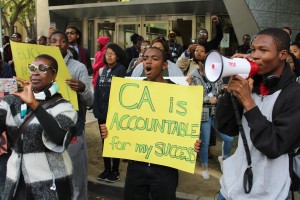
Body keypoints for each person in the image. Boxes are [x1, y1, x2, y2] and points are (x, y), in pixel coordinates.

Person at [99, 46, 201, 199]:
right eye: (145, 58)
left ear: (164, 65)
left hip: (165, 169)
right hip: (136, 167)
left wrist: (192, 143)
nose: (148, 62)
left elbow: (184, 128)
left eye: (155, 58)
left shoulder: (178, 94)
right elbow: (126, 124)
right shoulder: (132, 92)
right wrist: (111, 132)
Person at [215, 28, 300, 199]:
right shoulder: (250, 85)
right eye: (253, 49)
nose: (255, 55)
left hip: (268, 192)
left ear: (283, 55)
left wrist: (248, 103)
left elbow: (275, 145)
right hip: (231, 187)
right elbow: (226, 127)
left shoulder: (294, 94)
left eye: (263, 50)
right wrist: (230, 94)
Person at [1, 54, 77, 199]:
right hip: (17, 181)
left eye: (42, 68)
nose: (35, 72)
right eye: (32, 68)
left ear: (53, 74)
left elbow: (60, 138)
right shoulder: (12, 102)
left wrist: (34, 105)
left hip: (50, 182)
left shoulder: (64, 106)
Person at [49, 31, 93, 200]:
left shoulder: (78, 68)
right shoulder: (40, 67)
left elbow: (90, 102)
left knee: (75, 179)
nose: (58, 44)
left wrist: (82, 89)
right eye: (54, 41)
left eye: (62, 41)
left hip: (72, 132)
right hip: (47, 131)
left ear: (68, 45)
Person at [93, 43, 127, 183]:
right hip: (101, 113)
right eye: (107, 53)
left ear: (117, 56)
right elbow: (98, 91)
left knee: (114, 141)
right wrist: (96, 108)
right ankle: (106, 169)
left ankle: (115, 170)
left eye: (112, 53)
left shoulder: (121, 70)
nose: (109, 55)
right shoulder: (102, 70)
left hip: (114, 113)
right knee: (105, 142)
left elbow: (121, 93)